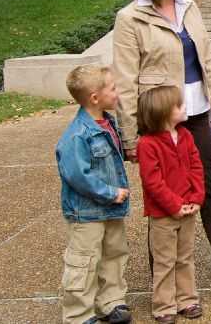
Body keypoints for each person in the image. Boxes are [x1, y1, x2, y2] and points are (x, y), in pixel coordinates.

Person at [113, 0, 211, 290]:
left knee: (208, 190)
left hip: (196, 114)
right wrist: (131, 138)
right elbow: (124, 82)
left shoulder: (189, 7)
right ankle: (164, 286)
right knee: (163, 199)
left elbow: (207, 57)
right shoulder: (130, 19)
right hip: (159, 123)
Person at [56, 64, 132, 324]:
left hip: (111, 208)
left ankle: (111, 302)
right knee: (84, 262)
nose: (117, 92)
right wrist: (110, 193)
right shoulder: (77, 135)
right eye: (112, 88)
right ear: (95, 98)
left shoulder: (107, 122)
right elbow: (78, 176)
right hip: (87, 212)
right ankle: (79, 314)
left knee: (114, 254)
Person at [136, 86, 205, 324]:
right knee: (165, 261)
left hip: (188, 208)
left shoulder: (185, 135)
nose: (185, 107)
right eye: (180, 105)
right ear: (164, 112)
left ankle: (187, 299)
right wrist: (174, 205)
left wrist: (196, 197)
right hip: (164, 214)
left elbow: (196, 166)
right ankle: (164, 305)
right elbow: (152, 181)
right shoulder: (147, 144)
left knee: (185, 257)